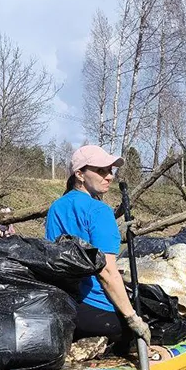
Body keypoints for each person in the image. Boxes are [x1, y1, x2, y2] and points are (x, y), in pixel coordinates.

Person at [45, 144, 151, 346]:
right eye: (101, 171)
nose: (109, 176)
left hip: (65, 308)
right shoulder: (100, 211)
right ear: (80, 174)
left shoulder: (56, 207)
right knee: (158, 320)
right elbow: (107, 272)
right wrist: (132, 318)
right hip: (96, 312)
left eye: (110, 170)